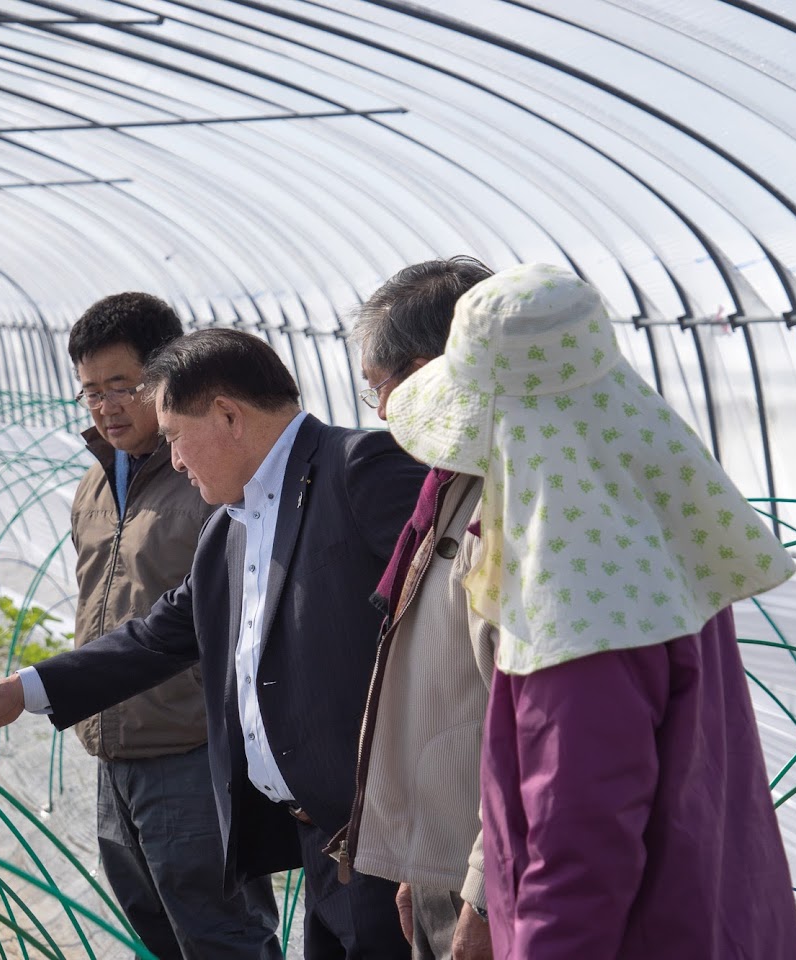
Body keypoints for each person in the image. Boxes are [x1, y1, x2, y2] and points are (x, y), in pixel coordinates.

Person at [0, 329, 428, 960]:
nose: (176, 460)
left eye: (173, 437)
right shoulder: (230, 525)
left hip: (387, 840)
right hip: (320, 842)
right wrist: (23, 690)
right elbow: (159, 635)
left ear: (226, 415)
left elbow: (444, 640)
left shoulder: (360, 470)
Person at [385, 262, 796, 959]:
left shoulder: (575, 591)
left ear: (510, 424)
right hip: (704, 914)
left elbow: (578, 845)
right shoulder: (649, 528)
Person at [61, 292, 281, 960]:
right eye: (90, 392)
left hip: (194, 752)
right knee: (150, 930)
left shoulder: (209, 481)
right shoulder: (96, 484)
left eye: (121, 386)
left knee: (221, 934)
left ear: (163, 378)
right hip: (113, 750)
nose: (105, 406)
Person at [333, 257, 497, 960]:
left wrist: (484, 897)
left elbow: (533, 727)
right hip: (445, 860)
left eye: (383, 386)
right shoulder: (444, 492)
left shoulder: (512, 504)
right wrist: (414, 856)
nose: (379, 412)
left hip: (495, 877)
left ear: (431, 369)